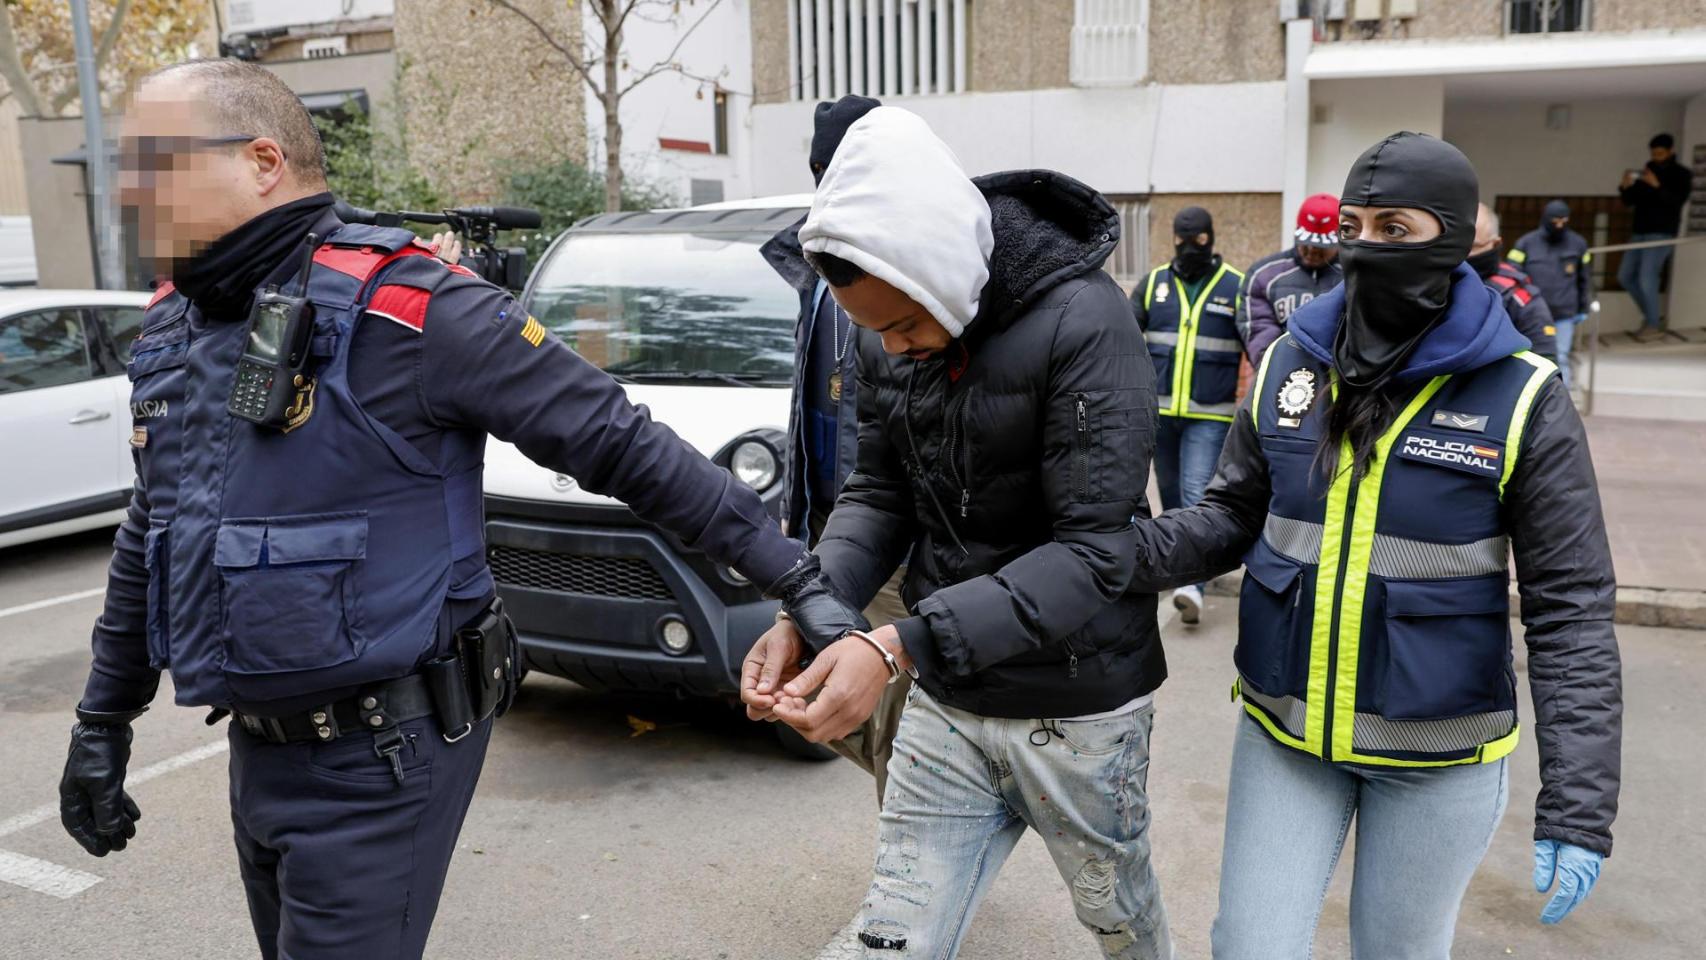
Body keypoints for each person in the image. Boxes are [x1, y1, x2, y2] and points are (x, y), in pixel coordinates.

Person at [57, 58, 862, 960]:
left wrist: (797, 579)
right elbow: (152, 529)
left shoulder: (411, 307)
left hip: (380, 755)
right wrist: (103, 718)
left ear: (262, 161)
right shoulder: (179, 324)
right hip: (259, 747)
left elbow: (621, 442)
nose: (129, 193)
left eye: (154, 164)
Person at [1128, 132, 1621, 958]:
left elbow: (1571, 609)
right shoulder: (1291, 364)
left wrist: (1578, 805)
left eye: (1395, 229)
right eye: (1352, 227)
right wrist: (1116, 552)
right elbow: (1229, 515)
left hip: (1438, 758)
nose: (1364, 248)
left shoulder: (1523, 394)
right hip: (1287, 735)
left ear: (1453, 240)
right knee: (1248, 946)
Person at [742, 107, 1170, 959]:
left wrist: (896, 646)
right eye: (875, 332)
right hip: (950, 695)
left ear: (942, 272)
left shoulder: (1085, 319)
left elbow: (1094, 553)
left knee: (1118, 917)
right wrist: (809, 609)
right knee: (892, 934)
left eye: (905, 325)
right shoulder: (884, 336)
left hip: (1077, 705)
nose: (893, 348)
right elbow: (878, 493)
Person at [760, 93, 912, 803]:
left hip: (896, 540)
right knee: (830, 709)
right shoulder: (814, 267)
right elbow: (813, 403)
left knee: (900, 736)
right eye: (824, 172)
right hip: (829, 528)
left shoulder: (912, 263)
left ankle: (913, 858)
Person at [1132, 206, 1245, 626]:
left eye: (1197, 240)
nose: (1190, 248)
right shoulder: (1153, 284)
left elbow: (1257, 344)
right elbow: (1124, 337)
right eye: (1182, 241)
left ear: (1210, 238)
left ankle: (1193, 587)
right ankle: (1177, 571)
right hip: (1161, 413)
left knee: (1197, 494)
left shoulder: (1235, 286)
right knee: (1172, 497)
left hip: (1209, 416)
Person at [1239, 192, 1343, 363]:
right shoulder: (1264, 275)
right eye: (1306, 244)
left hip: (1338, 371)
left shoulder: (1353, 276)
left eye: (1320, 247)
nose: (1312, 251)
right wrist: (1276, 369)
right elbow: (1259, 330)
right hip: (1281, 369)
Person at [1509, 200, 1593, 390]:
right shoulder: (1525, 243)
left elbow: (1585, 278)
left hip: (1564, 313)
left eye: (1564, 221)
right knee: (1532, 357)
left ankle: (1562, 399)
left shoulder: (1579, 244)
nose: (1560, 226)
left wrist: (1583, 307)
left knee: (1561, 356)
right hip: (1533, 314)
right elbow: (1512, 277)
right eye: (1555, 221)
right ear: (1546, 219)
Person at [1617, 133, 1693, 341]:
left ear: (1670, 151)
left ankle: (1653, 324)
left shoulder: (1681, 174)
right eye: (1654, 153)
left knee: (1647, 277)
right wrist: (1625, 186)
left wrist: (1657, 185)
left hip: (1662, 232)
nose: (1656, 157)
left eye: (1660, 153)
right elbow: (1629, 201)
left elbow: (1677, 201)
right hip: (1639, 231)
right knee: (1625, 276)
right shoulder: (1647, 171)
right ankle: (1653, 318)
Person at [1468, 203, 1555, 359]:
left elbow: (1545, 358)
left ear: (1495, 244)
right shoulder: (1431, 282)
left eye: (1471, 247)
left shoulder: (1517, 295)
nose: (1461, 255)